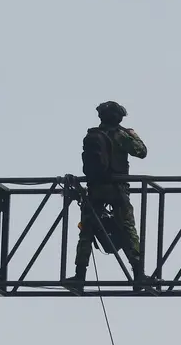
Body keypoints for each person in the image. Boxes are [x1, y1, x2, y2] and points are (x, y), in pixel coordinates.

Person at [65, 101, 152, 292]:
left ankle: (79, 277)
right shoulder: (120, 135)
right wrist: (133, 135)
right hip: (117, 190)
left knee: (86, 232)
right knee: (128, 228)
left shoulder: (93, 135)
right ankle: (138, 276)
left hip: (95, 190)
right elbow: (142, 152)